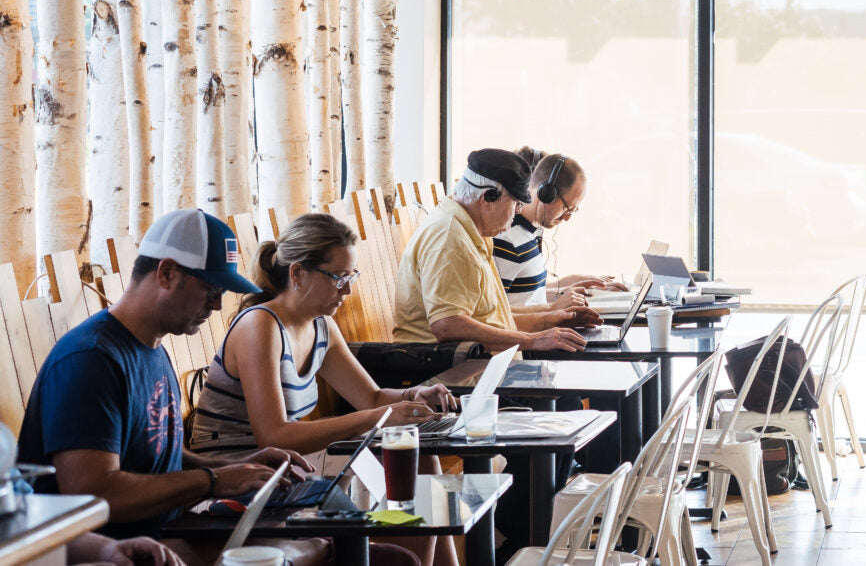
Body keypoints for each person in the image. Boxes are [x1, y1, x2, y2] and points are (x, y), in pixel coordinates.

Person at [17, 209, 313, 546]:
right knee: (309, 548)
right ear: (167, 273)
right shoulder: (90, 360)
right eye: (211, 289)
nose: (217, 306)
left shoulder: (152, 347)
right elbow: (94, 493)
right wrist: (212, 480)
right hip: (116, 551)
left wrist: (235, 466)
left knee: (331, 542)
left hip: (169, 533)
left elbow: (152, 452)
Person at [190, 212, 455, 566]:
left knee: (414, 460)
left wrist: (411, 397)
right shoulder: (261, 326)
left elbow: (372, 397)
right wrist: (376, 418)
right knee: (407, 470)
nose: (347, 289)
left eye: (352, 276)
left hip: (290, 467)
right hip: (239, 473)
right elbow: (274, 435)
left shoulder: (321, 326)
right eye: (339, 277)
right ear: (298, 273)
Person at [393, 147, 602, 352]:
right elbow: (448, 325)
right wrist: (532, 341)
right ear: (487, 199)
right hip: (449, 373)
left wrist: (552, 315)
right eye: (516, 204)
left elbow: (493, 313)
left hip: (479, 364)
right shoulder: (449, 239)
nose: (518, 213)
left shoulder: (472, 231)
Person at [493, 147, 626, 309]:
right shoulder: (507, 240)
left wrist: (577, 288)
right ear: (546, 193)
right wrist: (554, 310)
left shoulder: (530, 234)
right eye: (566, 208)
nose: (567, 218)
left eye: (573, 210)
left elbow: (529, 295)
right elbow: (496, 314)